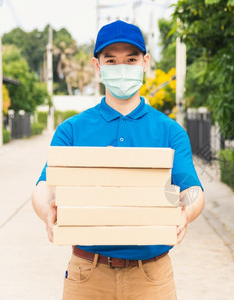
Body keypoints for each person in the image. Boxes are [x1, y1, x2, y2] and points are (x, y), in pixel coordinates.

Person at [31, 20, 205, 300]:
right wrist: (45, 212)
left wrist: (187, 211)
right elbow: (45, 184)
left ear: (145, 62)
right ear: (97, 65)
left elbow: (192, 190)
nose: (121, 67)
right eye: (111, 60)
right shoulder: (72, 129)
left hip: (151, 276)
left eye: (131, 59)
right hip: (87, 272)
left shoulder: (169, 131)